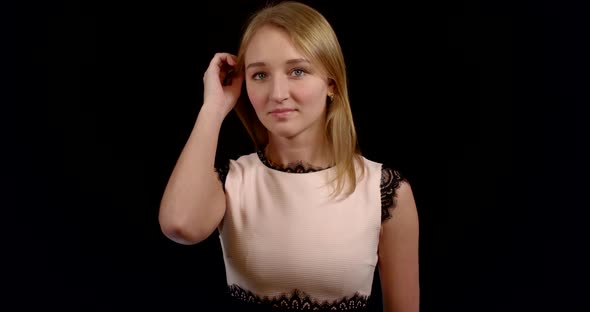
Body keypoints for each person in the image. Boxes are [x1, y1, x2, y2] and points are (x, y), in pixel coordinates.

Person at [158, 1, 419, 311]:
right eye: (259, 75)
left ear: (331, 84)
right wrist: (212, 109)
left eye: (297, 71)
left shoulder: (384, 191)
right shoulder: (232, 182)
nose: (278, 93)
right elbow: (179, 225)